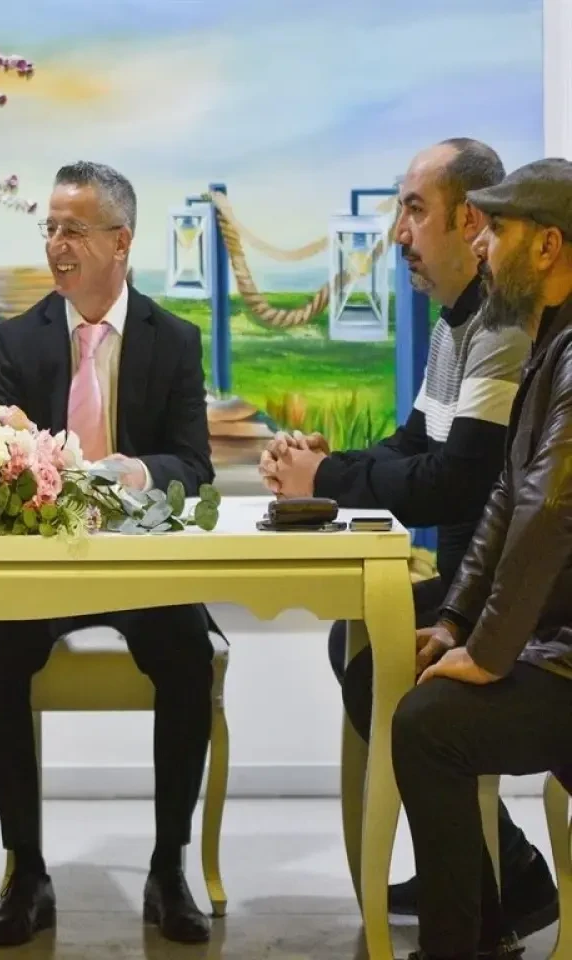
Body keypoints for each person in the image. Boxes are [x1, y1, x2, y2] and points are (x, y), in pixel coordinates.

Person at [259, 139, 557, 937]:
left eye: (413, 211)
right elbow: (422, 449)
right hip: (479, 588)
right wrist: (327, 466)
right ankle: (483, 867)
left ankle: (499, 876)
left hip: (518, 604)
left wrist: (325, 479)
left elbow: (466, 483)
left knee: (380, 677)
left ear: (474, 223)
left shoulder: (508, 330)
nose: (399, 233)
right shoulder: (464, 326)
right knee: (355, 646)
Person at [0, 161, 218, 948]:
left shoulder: (173, 340)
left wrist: (133, 472)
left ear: (121, 241)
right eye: (49, 228)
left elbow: (195, 466)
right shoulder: (22, 338)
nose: (56, 244)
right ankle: (26, 872)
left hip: (139, 565)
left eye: (73, 229)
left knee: (188, 656)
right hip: (47, 564)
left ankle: (168, 869)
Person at [392, 157, 572, 960]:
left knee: (427, 726)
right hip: (551, 646)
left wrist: (490, 652)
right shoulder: (550, 341)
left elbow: (549, 511)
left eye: (497, 228)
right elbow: (507, 493)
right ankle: (480, 925)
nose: (482, 243)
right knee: (416, 690)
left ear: (549, 247)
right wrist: (458, 622)